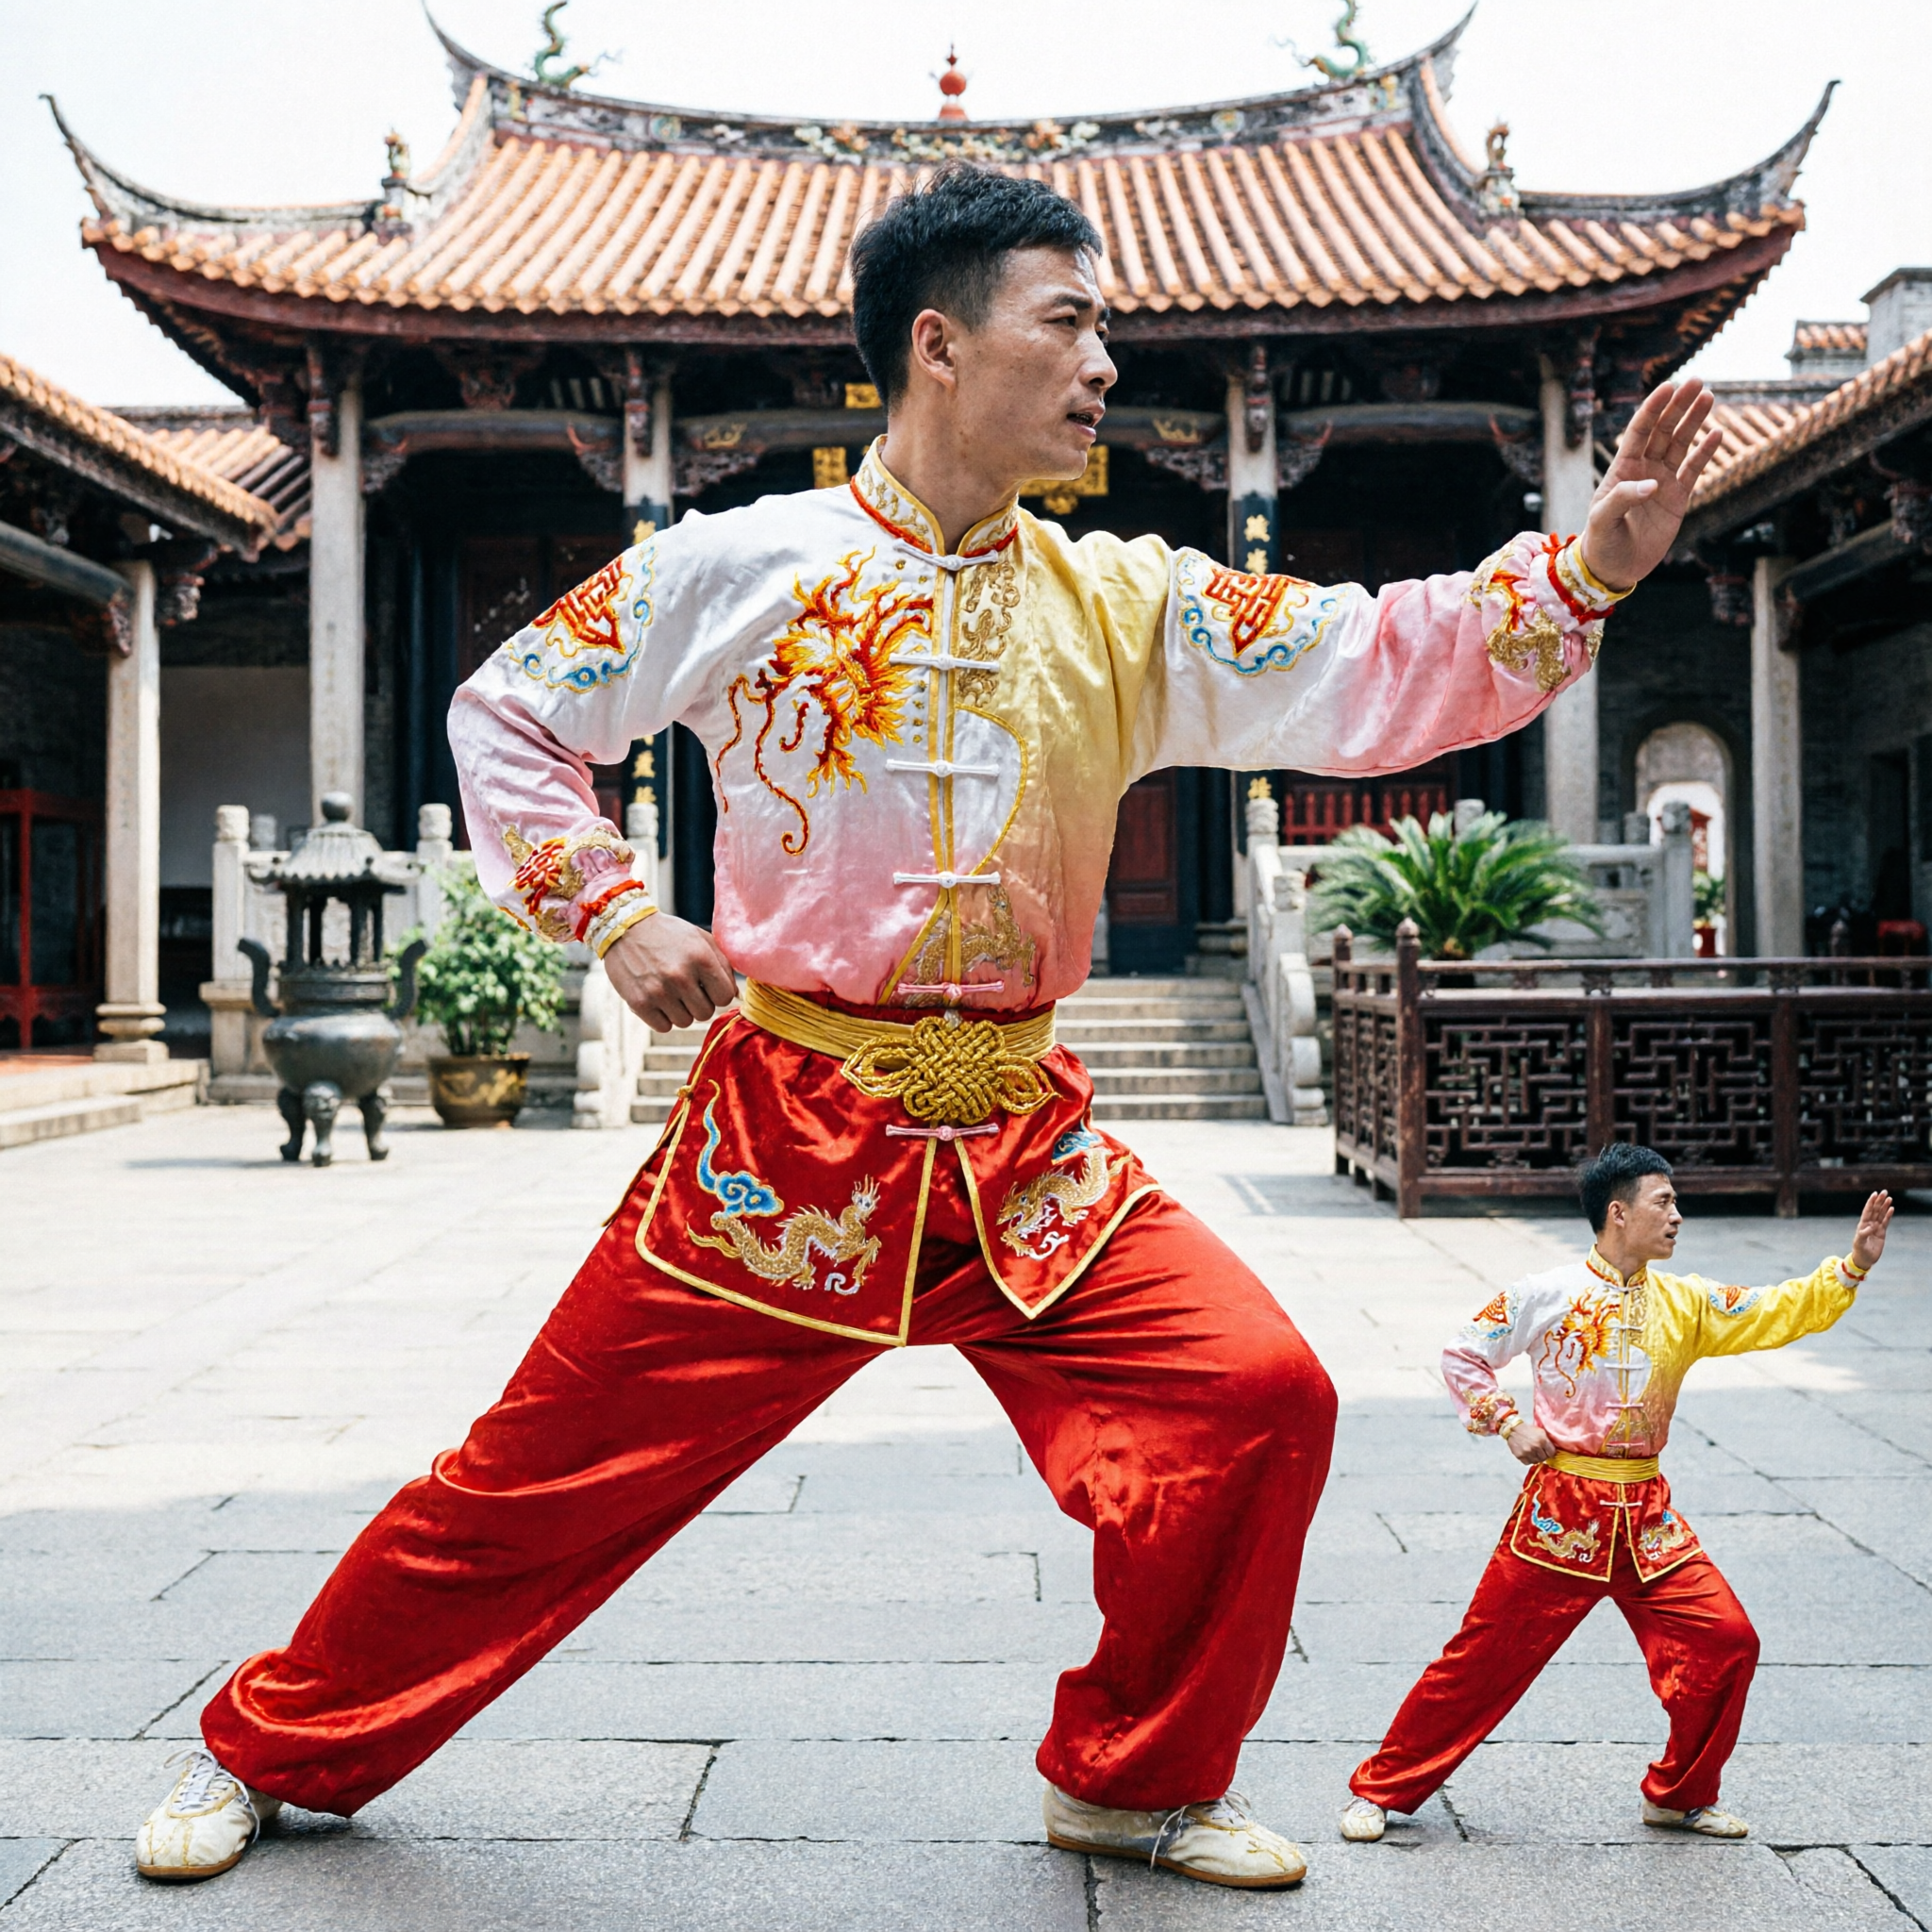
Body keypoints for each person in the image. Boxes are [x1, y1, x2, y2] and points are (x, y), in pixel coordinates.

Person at [135, 163, 1719, 1891]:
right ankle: (268, 1743)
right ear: (940, 346)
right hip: (782, 1151)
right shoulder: (738, 563)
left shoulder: (1129, 600)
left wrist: (1583, 570)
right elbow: (510, 706)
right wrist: (612, 905)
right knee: (531, 1482)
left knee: (1252, 1394)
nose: (1106, 356)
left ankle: (1131, 1772)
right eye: (1073, 319)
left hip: (1025, 1156)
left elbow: (1362, 654)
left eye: (1104, 322)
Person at [1340, 1145, 1894, 1845]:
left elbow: (1769, 1310)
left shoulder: (1684, 1300)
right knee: (1481, 1661)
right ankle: (1382, 1791)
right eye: (1664, 1202)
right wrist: (1507, 1422)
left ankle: (1680, 1794)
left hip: (1650, 1520)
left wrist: (1851, 1268)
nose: (1677, 1217)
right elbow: (1463, 1352)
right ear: (1617, 1212)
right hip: (1559, 1517)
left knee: (1726, 1642)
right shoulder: (1547, 1293)